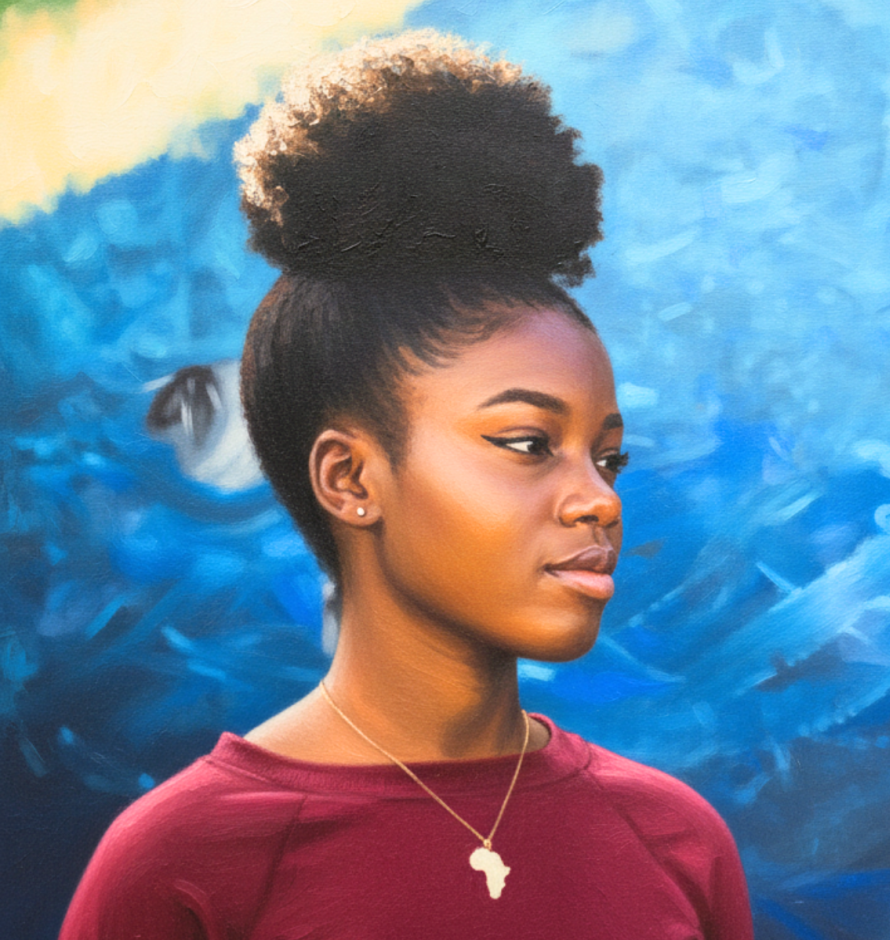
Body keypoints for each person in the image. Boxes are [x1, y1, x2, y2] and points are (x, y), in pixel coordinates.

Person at [60, 30, 753, 939]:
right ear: (350, 478)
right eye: (526, 442)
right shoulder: (183, 866)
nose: (601, 500)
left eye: (607, 456)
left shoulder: (675, 840)